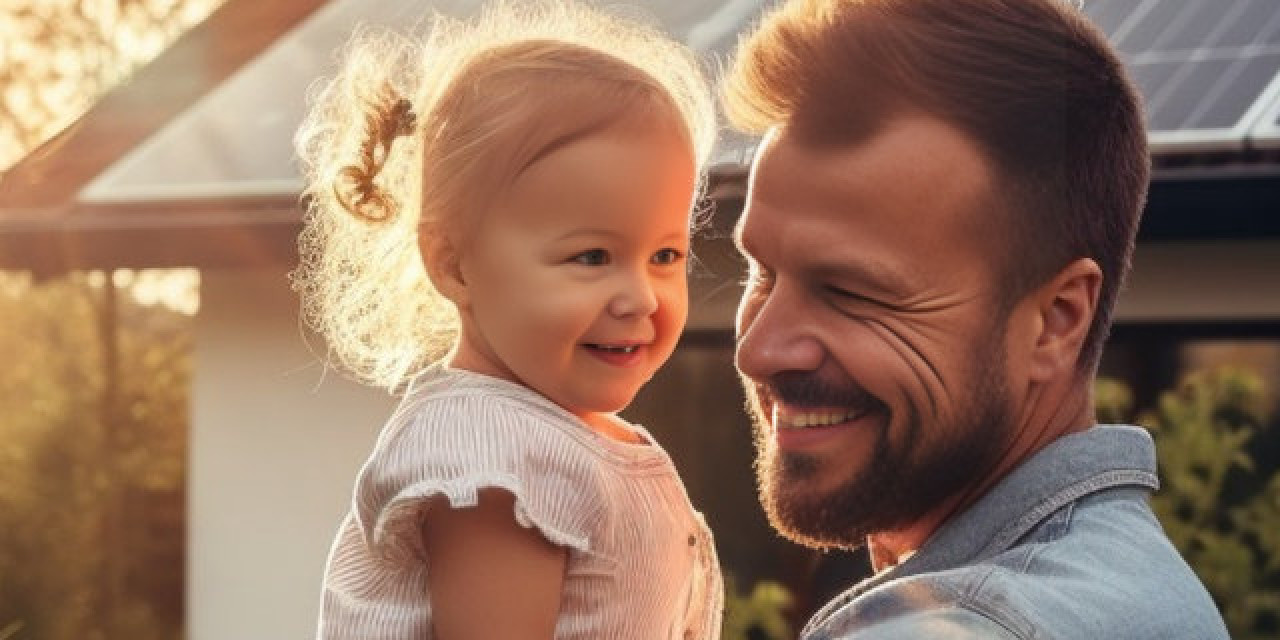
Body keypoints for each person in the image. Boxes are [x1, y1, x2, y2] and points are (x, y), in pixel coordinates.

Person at [722, 0, 1230, 637]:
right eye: (762, 271)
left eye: (850, 291)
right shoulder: (1139, 590)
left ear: (1057, 320)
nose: (759, 349)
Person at [292, 3, 722, 638]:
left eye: (665, 255)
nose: (642, 297)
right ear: (455, 264)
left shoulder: (568, 440)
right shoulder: (493, 457)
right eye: (592, 256)